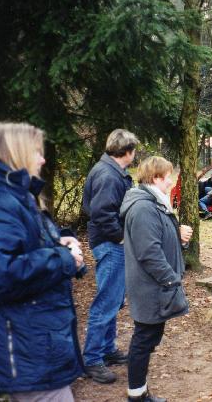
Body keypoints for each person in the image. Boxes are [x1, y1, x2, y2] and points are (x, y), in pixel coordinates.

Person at [0, 122, 85, 401]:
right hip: (28, 350)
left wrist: (58, 244)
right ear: (16, 153)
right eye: (37, 152)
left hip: (36, 344)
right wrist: (63, 258)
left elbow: (23, 248)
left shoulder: (15, 198)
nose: (43, 160)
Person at [120, 156, 192, 402]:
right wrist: (171, 280)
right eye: (168, 177)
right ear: (155, 178)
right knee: (143, 339)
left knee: (149, 337)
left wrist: (178, 236)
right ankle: (137, 395)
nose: (171, 181)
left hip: (155, 284)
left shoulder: (154, 204)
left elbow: (157, 239)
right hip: (150, 286)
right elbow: (149, 253)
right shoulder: (143, 208)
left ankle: (139, 391)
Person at [82, 128, 139, 383]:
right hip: (109, 244)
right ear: (127, 151)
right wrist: (119, 237)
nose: (135, 154)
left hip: (110, 243)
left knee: (114, 300)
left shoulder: (112, 172)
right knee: (106, 302)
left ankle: (107, 349)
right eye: (134, 150)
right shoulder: (108, 175)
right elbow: (101, 213)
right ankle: (92, 359)